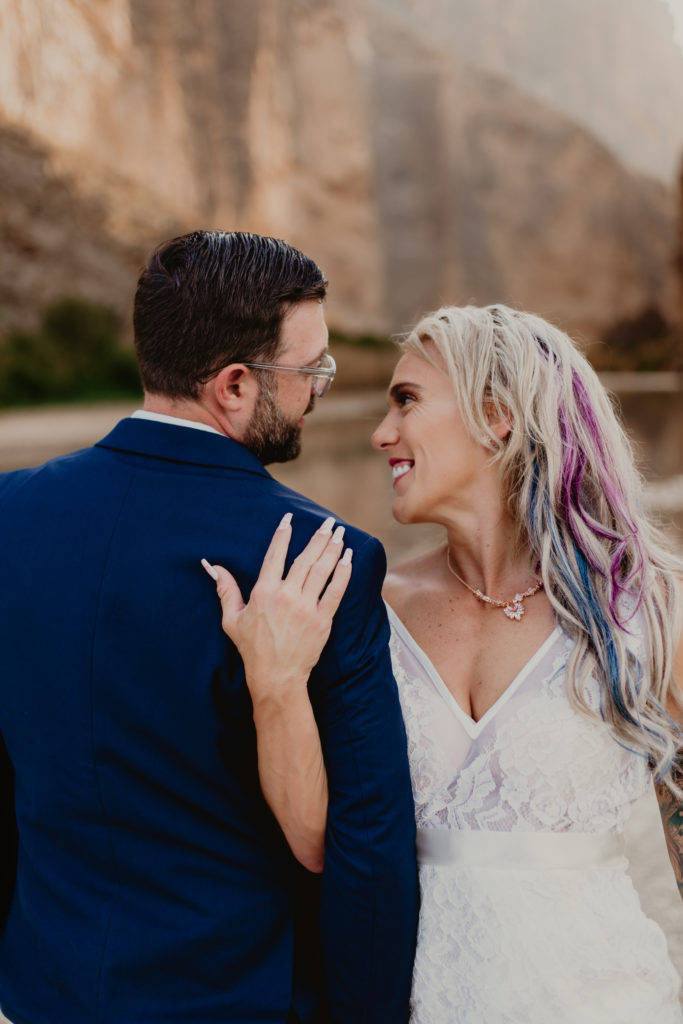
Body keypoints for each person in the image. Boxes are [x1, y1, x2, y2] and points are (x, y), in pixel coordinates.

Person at [208, 303, 683, 1023]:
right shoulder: (368, 606)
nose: (380, 433)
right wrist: (274, 684)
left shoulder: (644, 604)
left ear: (495, 415)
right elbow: (317, 837)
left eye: (406, 400)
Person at [0, 230, 419, 1024]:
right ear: (233, 385)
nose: (320, 389)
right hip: (234, 997)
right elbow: (366, 845)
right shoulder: (321, 559)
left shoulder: (7, 515)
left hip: (41, 989)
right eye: (311, 371)